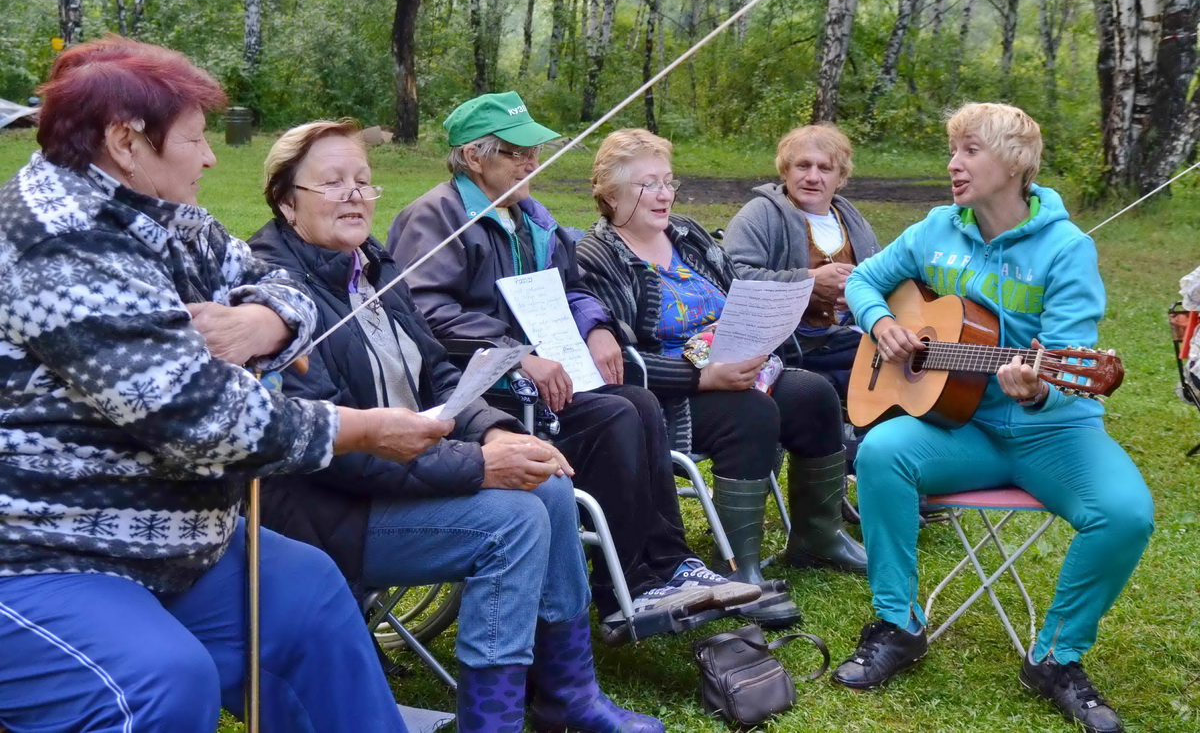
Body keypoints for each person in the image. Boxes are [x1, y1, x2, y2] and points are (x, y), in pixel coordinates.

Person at [0, 38, 449, 731]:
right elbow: (207, 423)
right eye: (197, 138)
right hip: (44, 553)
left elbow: (276, 279)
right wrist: (360, 429)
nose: (211, 157)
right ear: (126, 140)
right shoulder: (56, 244)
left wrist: (263, 322)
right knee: (158, 683)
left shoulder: (154, 206)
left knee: (305, 599)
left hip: (170, 542)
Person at [248, 119, 662, 733]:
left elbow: (441, 376)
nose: (355, 195)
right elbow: (333, 448)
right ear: (286, 201)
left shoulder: (374, 269)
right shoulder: (273, 295)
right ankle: (491, 722)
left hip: (401, 474)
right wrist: (479, 464)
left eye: (363, 181)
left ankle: (566, 694)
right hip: (325, 511)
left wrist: (493, 430)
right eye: (332, 183)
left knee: (546, 488)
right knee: (513, 519)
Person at [386, 92, 760, 635]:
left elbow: (574, 287)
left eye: (533, 151)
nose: (532, 163)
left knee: (639, 401)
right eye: (517, 153)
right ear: (473, 157)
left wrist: (597, 327)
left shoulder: (531, 214)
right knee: (614, 416)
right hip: (480, 389)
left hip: (544, 378)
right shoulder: (438, 215)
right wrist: (520, 355)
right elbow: (425, 309)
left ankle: (668, 564)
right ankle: (626, 586)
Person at [832, 103, 1154, 733]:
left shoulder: (1066, 250)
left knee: (1125, 514)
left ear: (1014, 162)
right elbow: (863, 282)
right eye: (953, 151)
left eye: (970, 150)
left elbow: (1069, 362)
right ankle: (898, 623)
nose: (954, 164)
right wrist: (885, 325)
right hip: (962, 429)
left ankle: (1057, 657)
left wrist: (1036, 392)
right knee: (880, 452)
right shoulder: (934, 229)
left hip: (1053, 433)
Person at [574, 129, 866, 629]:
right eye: (648, 185)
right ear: (611, 193)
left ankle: (818, 536)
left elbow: (740, 291)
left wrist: (767, 322)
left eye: (668, 182)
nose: (664, 195)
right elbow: (620, 360)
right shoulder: (597, 256)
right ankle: (742, 566)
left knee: (814, 393)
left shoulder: (686, 234)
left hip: (738, 368)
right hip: (670, 395)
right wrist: (704, 377)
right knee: (751, 412)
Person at [723, 124, 881, 397]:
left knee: (901, 349)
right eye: (803, 166)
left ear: (840, 177)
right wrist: (809, 281)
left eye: (824, 168)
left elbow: (882, 275)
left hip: (849, 334)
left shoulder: (852, 220)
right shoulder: (760, 214)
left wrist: (860, 292)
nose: (812, 177)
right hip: (792, 342)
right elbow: (730, 278)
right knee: (883, 357)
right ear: (786, 171)